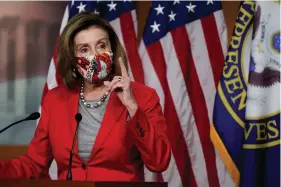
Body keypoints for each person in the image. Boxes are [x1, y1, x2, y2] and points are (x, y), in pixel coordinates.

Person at [0, 12, 171, 181]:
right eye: (84, 49)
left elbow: (159, 162)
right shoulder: (55, 100)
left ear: (112, 49)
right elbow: (34, 165)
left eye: (102, 46)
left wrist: (132, 106)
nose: (95, 55)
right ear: (73, 61)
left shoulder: (143, 96)